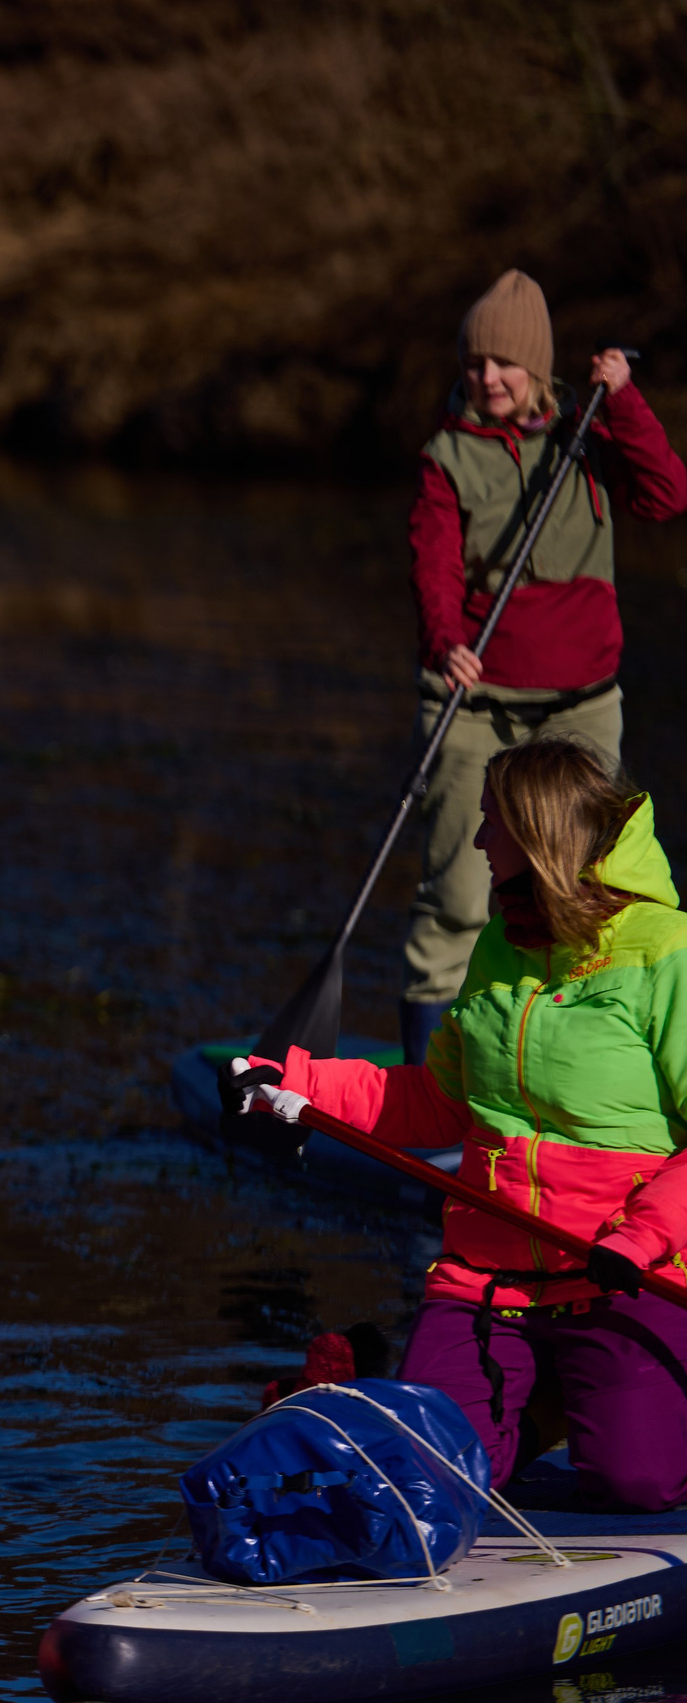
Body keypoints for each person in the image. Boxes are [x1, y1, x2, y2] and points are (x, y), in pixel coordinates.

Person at [240, 739, 687, 1509]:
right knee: (430, 1480)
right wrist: (299, 1081)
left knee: (638, 1481)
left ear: (537, 836)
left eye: (492, 824)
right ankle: (400, 1381)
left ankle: (569, 1397)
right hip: (490, 1277)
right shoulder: (498, 946)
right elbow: (438, 1098)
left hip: (619, 1272)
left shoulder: (667, 953)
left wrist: (642, 1236)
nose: (478, 841)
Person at [398, 269, 687, 1062]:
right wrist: (444, 638)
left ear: (537, 367)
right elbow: (434, 564)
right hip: (478, 700)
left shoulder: (591, 433)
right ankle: (436, 1094)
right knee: (460, 900)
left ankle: (581, 1065)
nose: (487, 378)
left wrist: (623, 402)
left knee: (590, 897)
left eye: (504, 364)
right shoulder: (447, 456)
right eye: (474, 365)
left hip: (580, 707)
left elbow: (667, 494)